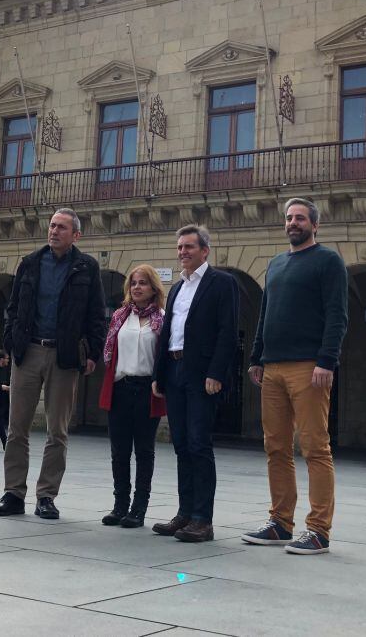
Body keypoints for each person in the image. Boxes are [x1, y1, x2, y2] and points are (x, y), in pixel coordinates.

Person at [243, 198, 348, 555]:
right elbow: (264, 314)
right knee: (275, 447)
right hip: (271, 367)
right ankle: (280, 523)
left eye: (300, 218)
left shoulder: (328, 261)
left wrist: (327, 361)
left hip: (309, 367)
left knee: (315, 447)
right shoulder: (275, 264)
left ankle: (318, 530)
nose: (293, 223)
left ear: (314, 225)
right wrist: (257, 356)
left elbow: (337, 314)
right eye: (289, 218)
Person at [0, 208, 106, 521]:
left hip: (64, 357)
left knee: (58, 432)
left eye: (62, 227)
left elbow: (96, 315)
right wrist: (12, 342)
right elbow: (13, 309)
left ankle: (46, 497)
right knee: (17, 429)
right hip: (28, 353)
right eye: (52, 225)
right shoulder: (30, 263)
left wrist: (92, 353)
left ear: (76, 235)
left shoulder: (86, 267)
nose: (54, 231)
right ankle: (13, 493)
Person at [150, 225, 238, 543]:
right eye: (180, 247)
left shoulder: (222, 283)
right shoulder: (176, 289)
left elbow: (227, 333)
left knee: (199, 444)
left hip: (201, 373)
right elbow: (168, 334)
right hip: (174, 371)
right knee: (182, 445)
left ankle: (203, 519)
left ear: (205, 251)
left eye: (189, 246)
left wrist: (216, 373)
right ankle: (185, 513)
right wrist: (160, 375)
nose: (183, 252)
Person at [98, 265, 167, 529]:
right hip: (120, 387)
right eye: (133, 283)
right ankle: (119, 506)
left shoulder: (161, 318)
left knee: (144, 451)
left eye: (143, 283)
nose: (137, 287)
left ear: (153, 288)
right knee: (119, 451)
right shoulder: (119, 316)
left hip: (147, 389)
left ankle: (139, 509)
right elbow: (109, 353)